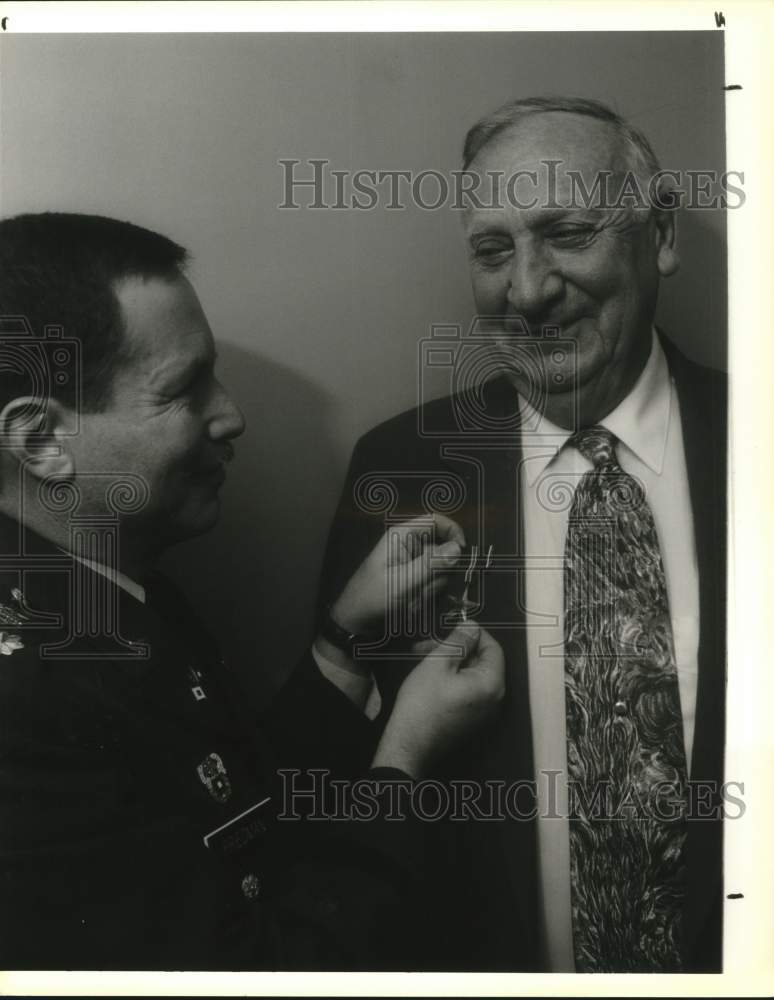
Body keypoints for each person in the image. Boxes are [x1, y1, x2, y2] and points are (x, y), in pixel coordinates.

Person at [0, 212, 505, 971]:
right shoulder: (23, 710)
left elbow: (229, 810)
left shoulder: (110, 584)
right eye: (182, 389)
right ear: (42, 441)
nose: (231, 414)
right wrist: (404, 760)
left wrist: (344, 645)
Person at [317, 97, 727, 972]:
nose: (528, 290)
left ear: (659, 237)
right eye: (493, 250)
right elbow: (340, 778)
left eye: (569, 233)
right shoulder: (401, 467)